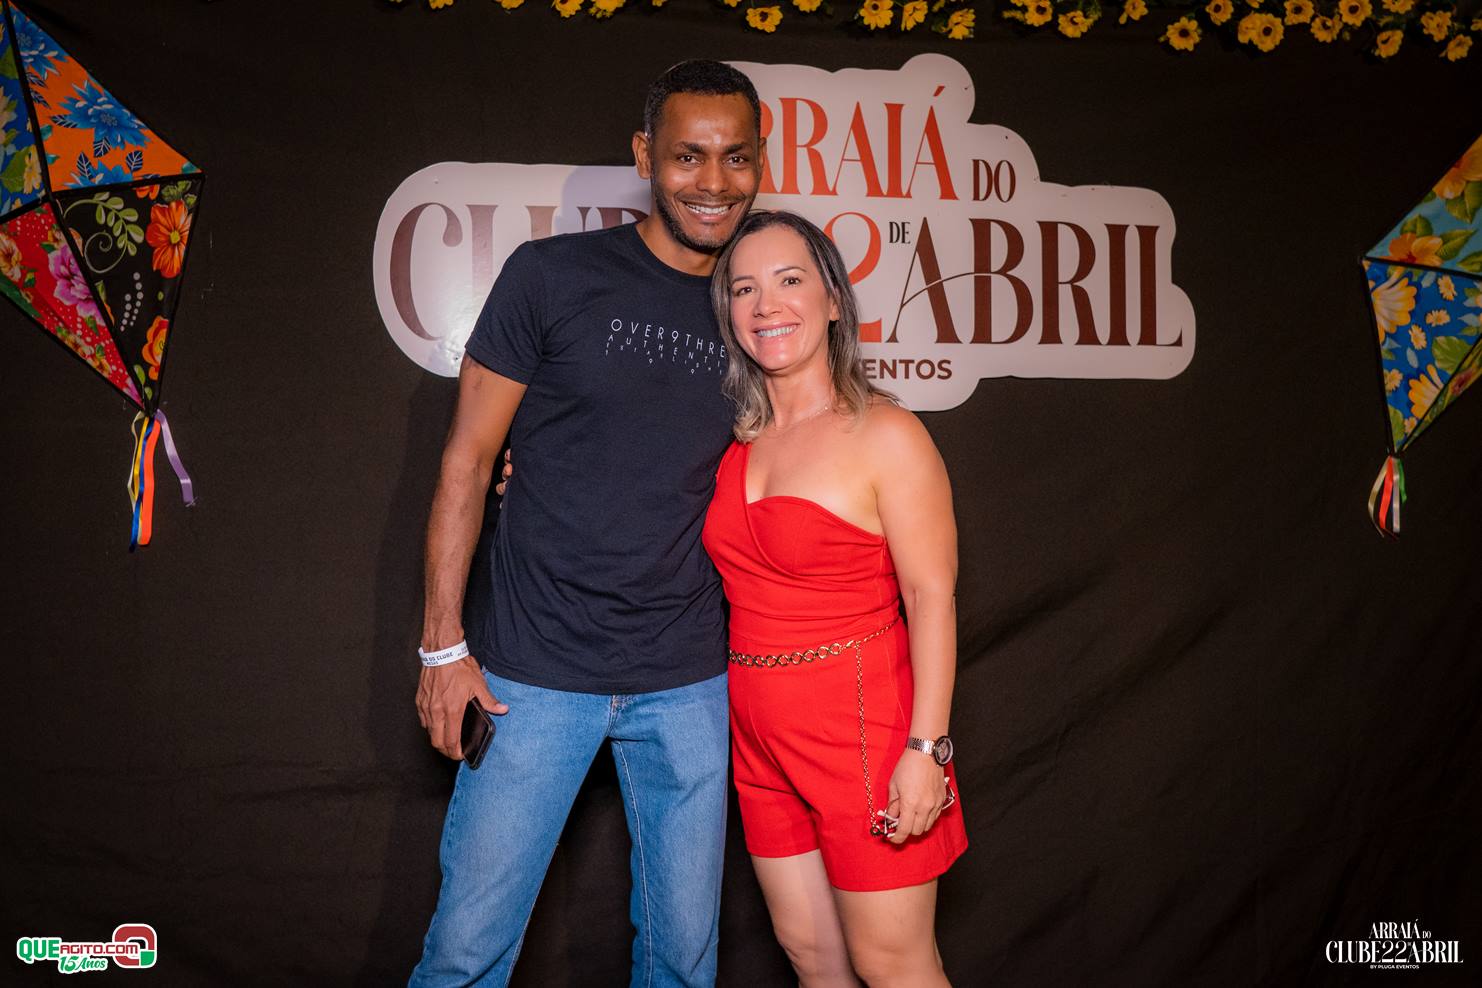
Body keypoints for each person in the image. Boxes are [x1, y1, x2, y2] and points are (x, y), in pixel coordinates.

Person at [410, 60, 765, 987]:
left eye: (736, 157)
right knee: (466, 955)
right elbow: (467, 461)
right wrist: (442, 648)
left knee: (684, 964)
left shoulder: (760, 307)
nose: (714, 181)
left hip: (689, 680)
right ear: (645, 156)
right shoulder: (552, 276)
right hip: (532, 674)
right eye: (688, 156)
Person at [701, 210, 968, 987]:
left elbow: (932, 596)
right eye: (744, 289)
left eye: (789, 281)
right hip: (757, 740)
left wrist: (927, 751)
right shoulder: (736, 439)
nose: (766, 305)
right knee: (813, 961)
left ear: (831, 302)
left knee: (893, 965)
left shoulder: (887, 434)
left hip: (863, 735)